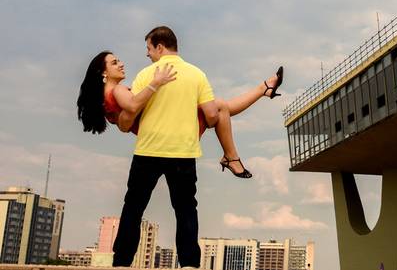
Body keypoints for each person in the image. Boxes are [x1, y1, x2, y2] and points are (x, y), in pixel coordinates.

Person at [76, 26, 283, 268]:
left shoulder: (140, 77)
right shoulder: (192, 74)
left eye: (149, 49)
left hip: (149, 148)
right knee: (185, 209)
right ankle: (189, 263)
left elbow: (124, 122)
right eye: (115, 62)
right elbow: (129, 113)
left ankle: (121, 261)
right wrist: (161, 88)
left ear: (160, 47)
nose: (146, 55)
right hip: (181, 147)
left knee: (134, 206)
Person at [77, 47, 283, 179]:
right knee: (220, 107)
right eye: (114, 62)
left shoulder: (104, 99)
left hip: (157, 133)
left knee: (221, 108)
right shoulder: (119, 90)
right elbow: (132, 108)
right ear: (103, 72)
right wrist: (155, 83)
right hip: (168, 130)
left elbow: (125, 120)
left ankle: (264, 89)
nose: (121, 64)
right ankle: (231, 156)